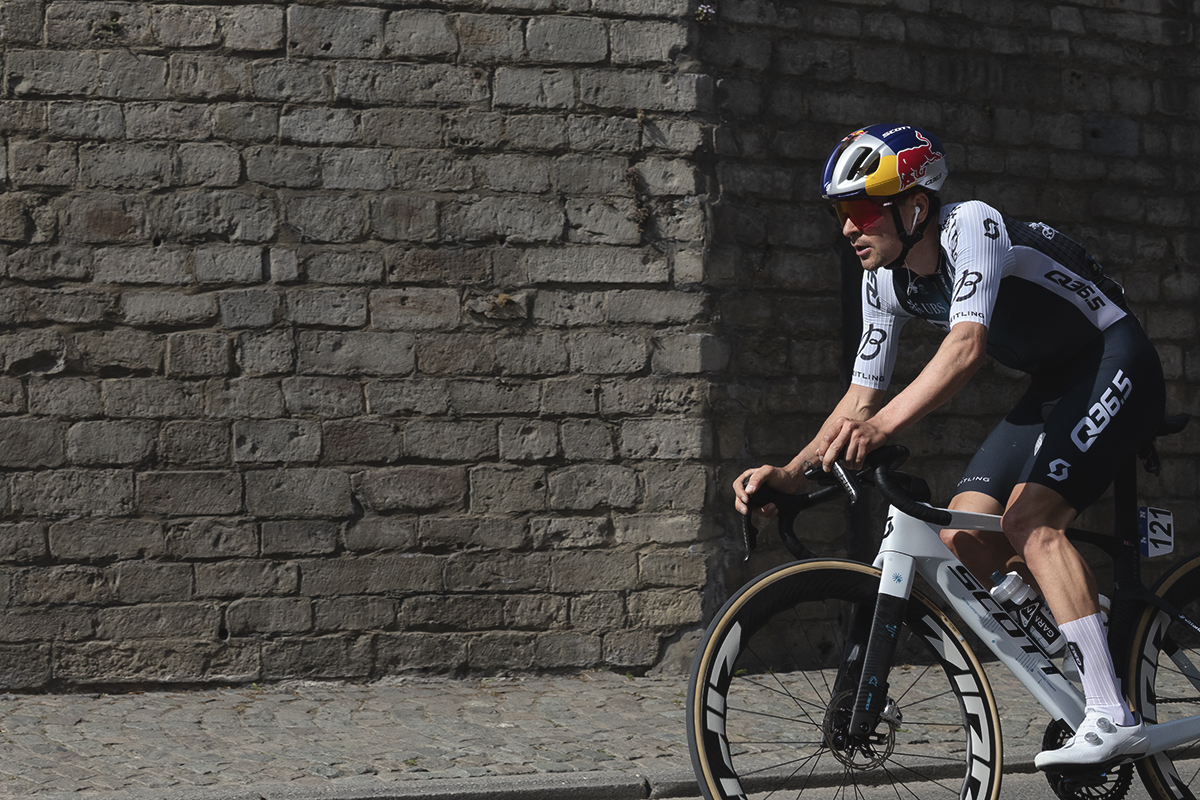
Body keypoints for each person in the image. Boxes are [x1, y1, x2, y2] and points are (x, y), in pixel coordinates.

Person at [732, 123, 1165, 772]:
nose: (848, 228)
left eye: (860, 209)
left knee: (1031, 522)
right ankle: (1089, 629)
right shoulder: (883, 280)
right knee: (964, 534)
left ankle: (1112, 714)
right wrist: (791, 474)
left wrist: (882, 430)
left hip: (1114, 358)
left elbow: (965, 350)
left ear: (914, 206)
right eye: (839, 213)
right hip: (1054, 383)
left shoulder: (973, 227)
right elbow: (858, 399)